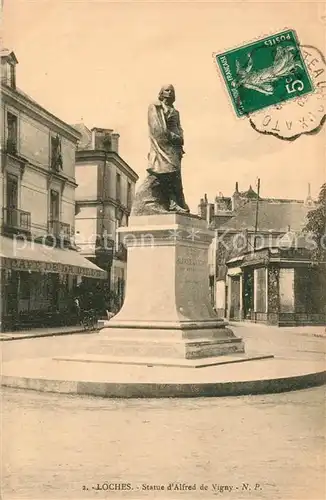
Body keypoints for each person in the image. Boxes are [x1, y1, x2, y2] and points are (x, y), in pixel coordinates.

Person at [131, 84, 190, 215]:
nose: (169, 93)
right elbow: (157, 128)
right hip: (161, 147)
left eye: (172, 91)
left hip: (174, 148)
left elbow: (179, 128)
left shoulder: (176, 112)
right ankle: (170, 202)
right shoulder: (155, 107)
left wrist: (180, 138)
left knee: (174, 175)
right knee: (165, 173)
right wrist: (173, 136)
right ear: (161, 93)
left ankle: (174, 202)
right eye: (166, 90)